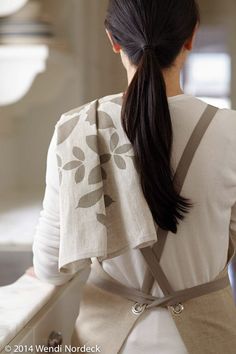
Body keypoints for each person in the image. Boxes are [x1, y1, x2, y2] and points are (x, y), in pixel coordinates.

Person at [32, 0, 236, 353]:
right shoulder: (231, 132)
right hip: (208, 337)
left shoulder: (76, 128)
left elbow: (52, 266)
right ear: (191, 38)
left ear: (113, 39)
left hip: (106, 340)